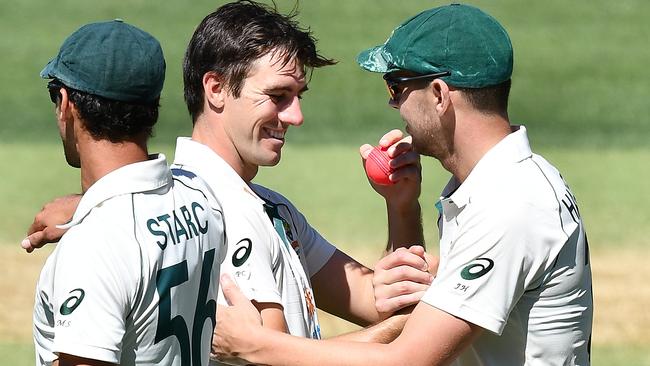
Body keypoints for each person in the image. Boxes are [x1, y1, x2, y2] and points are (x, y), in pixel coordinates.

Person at [23, 0, 435, 361]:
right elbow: (273, 355)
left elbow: (379, 301)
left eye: (298, 97)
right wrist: (418, 337)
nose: (296, 116)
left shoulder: (264, 206)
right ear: (216, 88)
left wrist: (401, 206)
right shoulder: (227, 210)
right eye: (277, 97)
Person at [212, 4, 594, 366]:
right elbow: (400, 309)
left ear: (440, 94)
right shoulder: (496, 186)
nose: (394, 105)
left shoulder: (510, 204)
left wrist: (253, 344)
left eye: (396, 87)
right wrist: (402, 207)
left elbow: (408, 358)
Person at [31, 20, 226, 365]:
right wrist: (87, 209)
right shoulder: (202, 198)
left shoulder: (94, 247)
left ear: (65, 103)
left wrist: (94, 225)